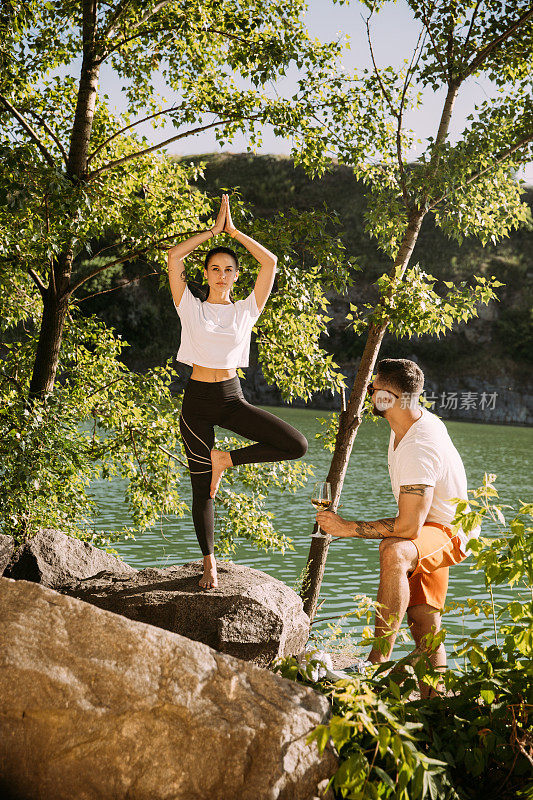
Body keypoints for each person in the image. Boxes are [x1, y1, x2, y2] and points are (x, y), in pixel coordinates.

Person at [168, 194, 308, 590]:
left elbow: (270, 263)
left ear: (236, 275)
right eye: (215, 269)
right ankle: (208, 563)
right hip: (196, 402)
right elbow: (174, 259)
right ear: (207, 273)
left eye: (229, 269)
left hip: (231, 399)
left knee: (295, 444)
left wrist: (234, 232)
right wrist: (211, 232)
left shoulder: (246, 310)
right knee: (201, 488)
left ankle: (226, 459)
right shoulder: (189, 307)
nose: (222, 275)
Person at [315, 358, 480, 684]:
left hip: (451, 530)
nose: (368, 392)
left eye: (373, 387)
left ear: (387, 396)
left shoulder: (419, 445)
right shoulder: (407, 424)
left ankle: (376, 663)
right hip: (432, 525)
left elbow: (407, 528)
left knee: (396, 550)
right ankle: (435, 707)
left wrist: (346, 528)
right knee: (424, 625)